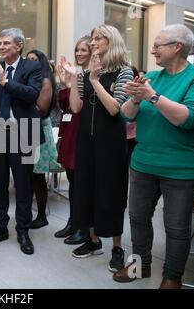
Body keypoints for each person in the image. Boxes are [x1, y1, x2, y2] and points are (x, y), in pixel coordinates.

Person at [115, 25, 194, 289]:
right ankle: (139, 266)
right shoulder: (153, 77)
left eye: (158, 44)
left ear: (177, 46)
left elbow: (190, 118)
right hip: (144, 163)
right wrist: (135, 99)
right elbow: (126, 115)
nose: (153, 49)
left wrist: (152, 96)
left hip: (182, 169)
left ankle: (172, 278)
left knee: (177, 227)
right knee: (137, 218)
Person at [62, 25, 133, 272]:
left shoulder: (123, 72)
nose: (93, 43)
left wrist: (94, 80)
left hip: (111, 143)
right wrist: (75, 79)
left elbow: (115, 108)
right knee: (86, 191)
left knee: (111, 194)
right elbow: (77, 108)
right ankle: (93, 242)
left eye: (97, 39)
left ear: (111, 42)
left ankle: (116, 247)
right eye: (91, 39)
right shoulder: (85, 74)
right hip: (86, 142)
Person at [0, 28, 43, 255]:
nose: (1, 47)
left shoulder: (32, 67)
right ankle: (0, 228)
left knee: (24, 185)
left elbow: (32, 94)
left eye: (6, 43)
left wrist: (6, 83)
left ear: (19, 46)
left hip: (22, 133)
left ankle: (23, 230)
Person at [53, 36, 91, 245]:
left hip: (82, 131)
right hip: (69, 130)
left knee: (81, 184)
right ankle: (73, 221)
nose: (79, 54)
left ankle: (82, 227)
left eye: (83, 50)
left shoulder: (91, 76)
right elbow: (64, 104)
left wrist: (71, 82)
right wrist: (65, 83)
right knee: (73, 182)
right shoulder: (76, 75)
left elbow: (80, 106)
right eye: (77, 50)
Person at [25, 50, 61, 229]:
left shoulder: (45, 81)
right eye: (28, 59)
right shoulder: (28, 79)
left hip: (39, 131)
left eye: (34, 59)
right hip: (26, 130)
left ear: (42, 62)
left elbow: (41, 109)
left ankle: (41, 215)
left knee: (37, 176)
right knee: (28, 176)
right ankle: (29, 213)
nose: (30, 62)